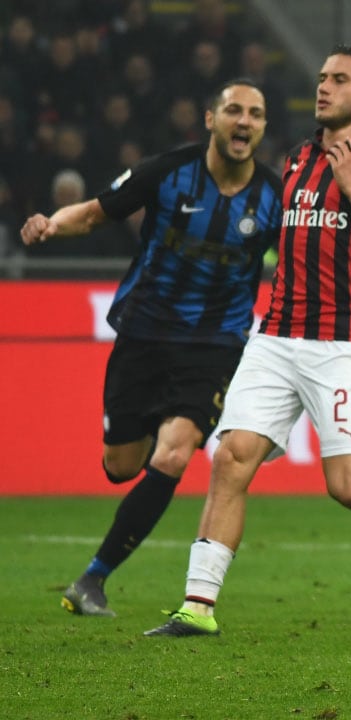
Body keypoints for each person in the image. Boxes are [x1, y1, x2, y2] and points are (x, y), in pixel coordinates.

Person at [144, 46, 351, 637]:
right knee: (230, 457)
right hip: (274, 337)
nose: (323, 88)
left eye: (339, 79)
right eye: (321, 78)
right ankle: (198, 605)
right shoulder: (294, 159)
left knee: (349, 486)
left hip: (343, 344)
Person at [20, 80, 283, 618]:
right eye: (234, 110)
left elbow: (302, 256)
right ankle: (106, 549)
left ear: (261, 127)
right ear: (210, 119)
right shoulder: (167, 172)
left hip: (214, 345)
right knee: (121, 464)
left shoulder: (274, 196)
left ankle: (93, 580)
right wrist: (52, 224)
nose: (244, 121)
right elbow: (94, 211)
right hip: (144, 333)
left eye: (255, 114)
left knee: (176, 452)